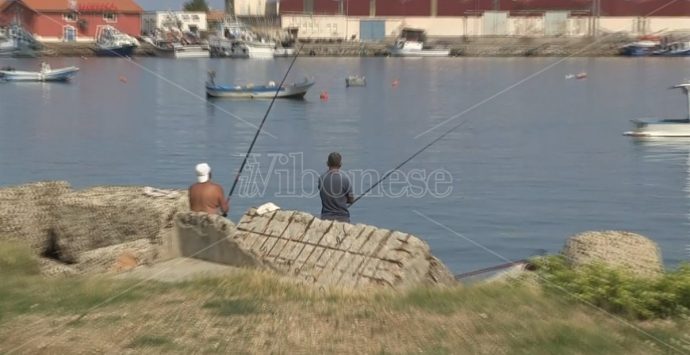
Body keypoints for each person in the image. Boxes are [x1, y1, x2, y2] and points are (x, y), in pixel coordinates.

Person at [318, 152, 353, 222]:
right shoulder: (345, 179)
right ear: (340, 164)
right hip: (343, 218)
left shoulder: (321, 179)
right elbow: (351, 200)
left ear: (327, 163)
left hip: (325, 218)